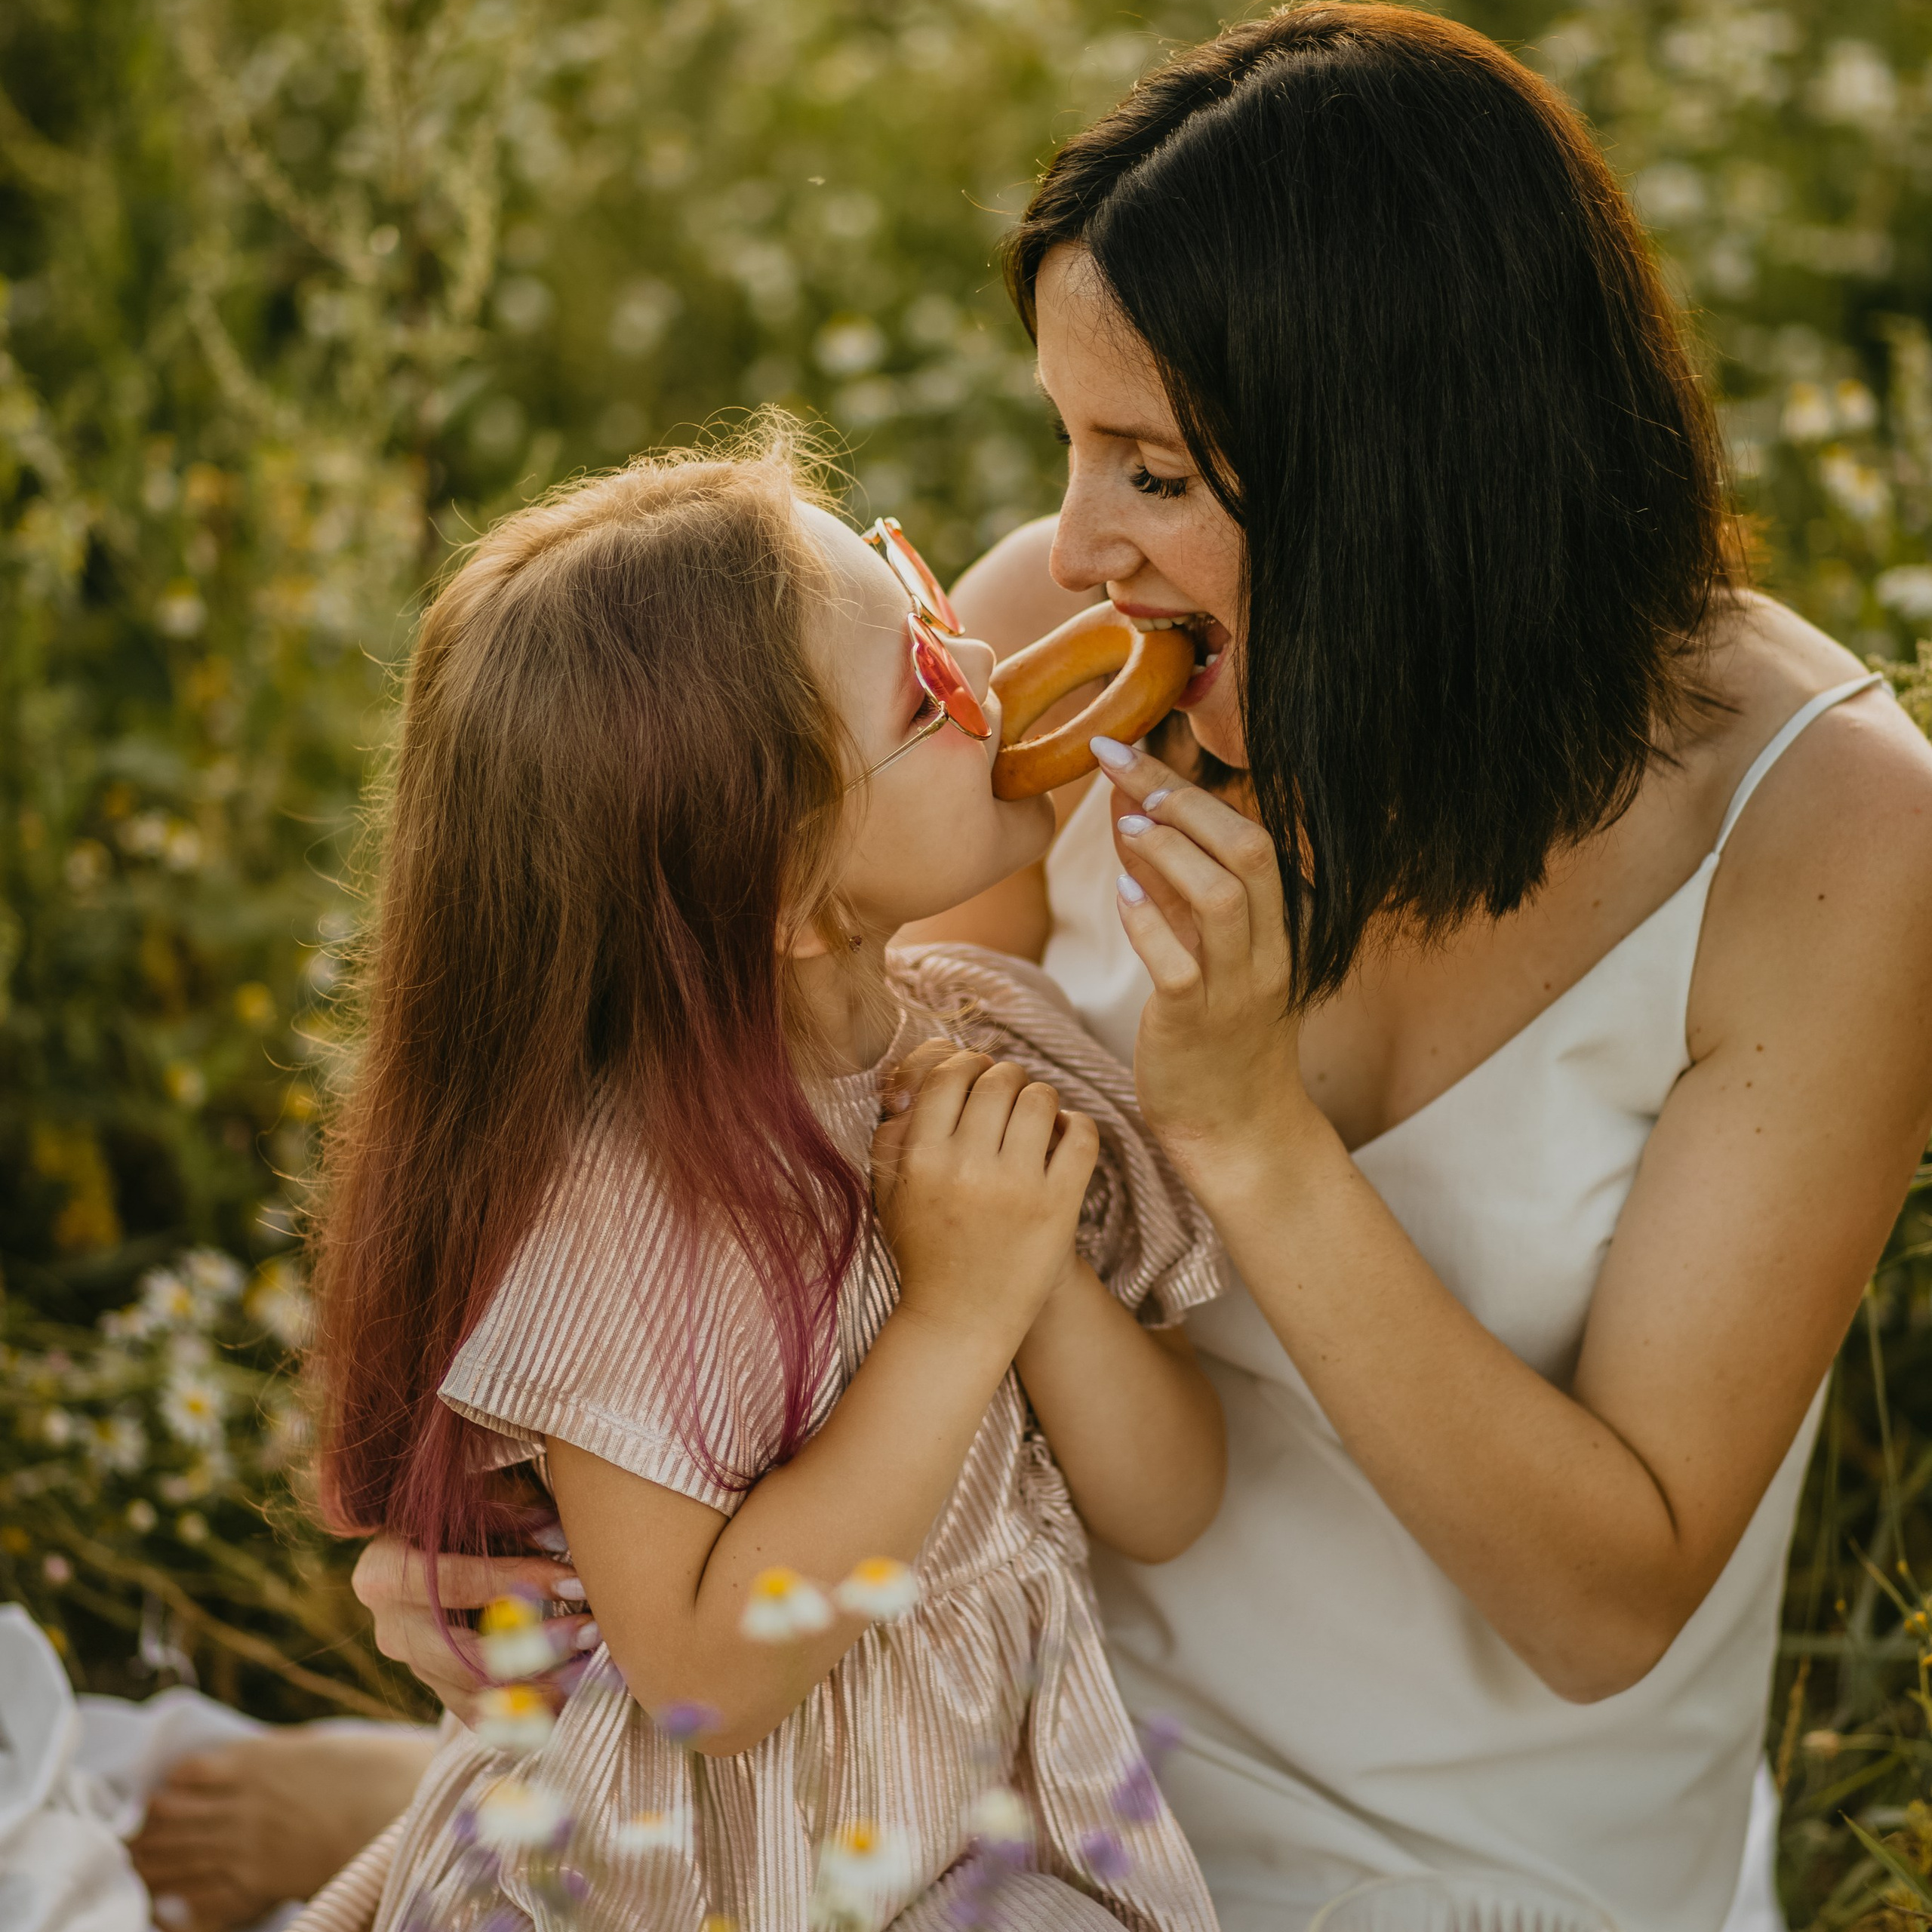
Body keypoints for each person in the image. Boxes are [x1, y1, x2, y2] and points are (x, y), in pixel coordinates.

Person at [200, 7, 1932, 1929]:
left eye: (1157, 471)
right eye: (1066, 443)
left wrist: (1248, 1130)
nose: (1070, 547)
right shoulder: (1041, 680)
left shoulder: (1835, 845)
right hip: (949, 1743)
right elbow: (816, 1212)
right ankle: (524, 1812)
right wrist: (508, 1552)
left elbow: (1604, 1607)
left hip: (1451, 1861)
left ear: (1404, 480)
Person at [288, 430, 1227, 1932]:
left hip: (964, 1845)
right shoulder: (636, 1210)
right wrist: (949, 1314)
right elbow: (701, 1680)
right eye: (923, 684)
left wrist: (1028, 1267)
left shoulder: (984, 1047)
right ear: (784, 888)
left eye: (922, 591)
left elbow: (1171, 1497)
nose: (978, 655)